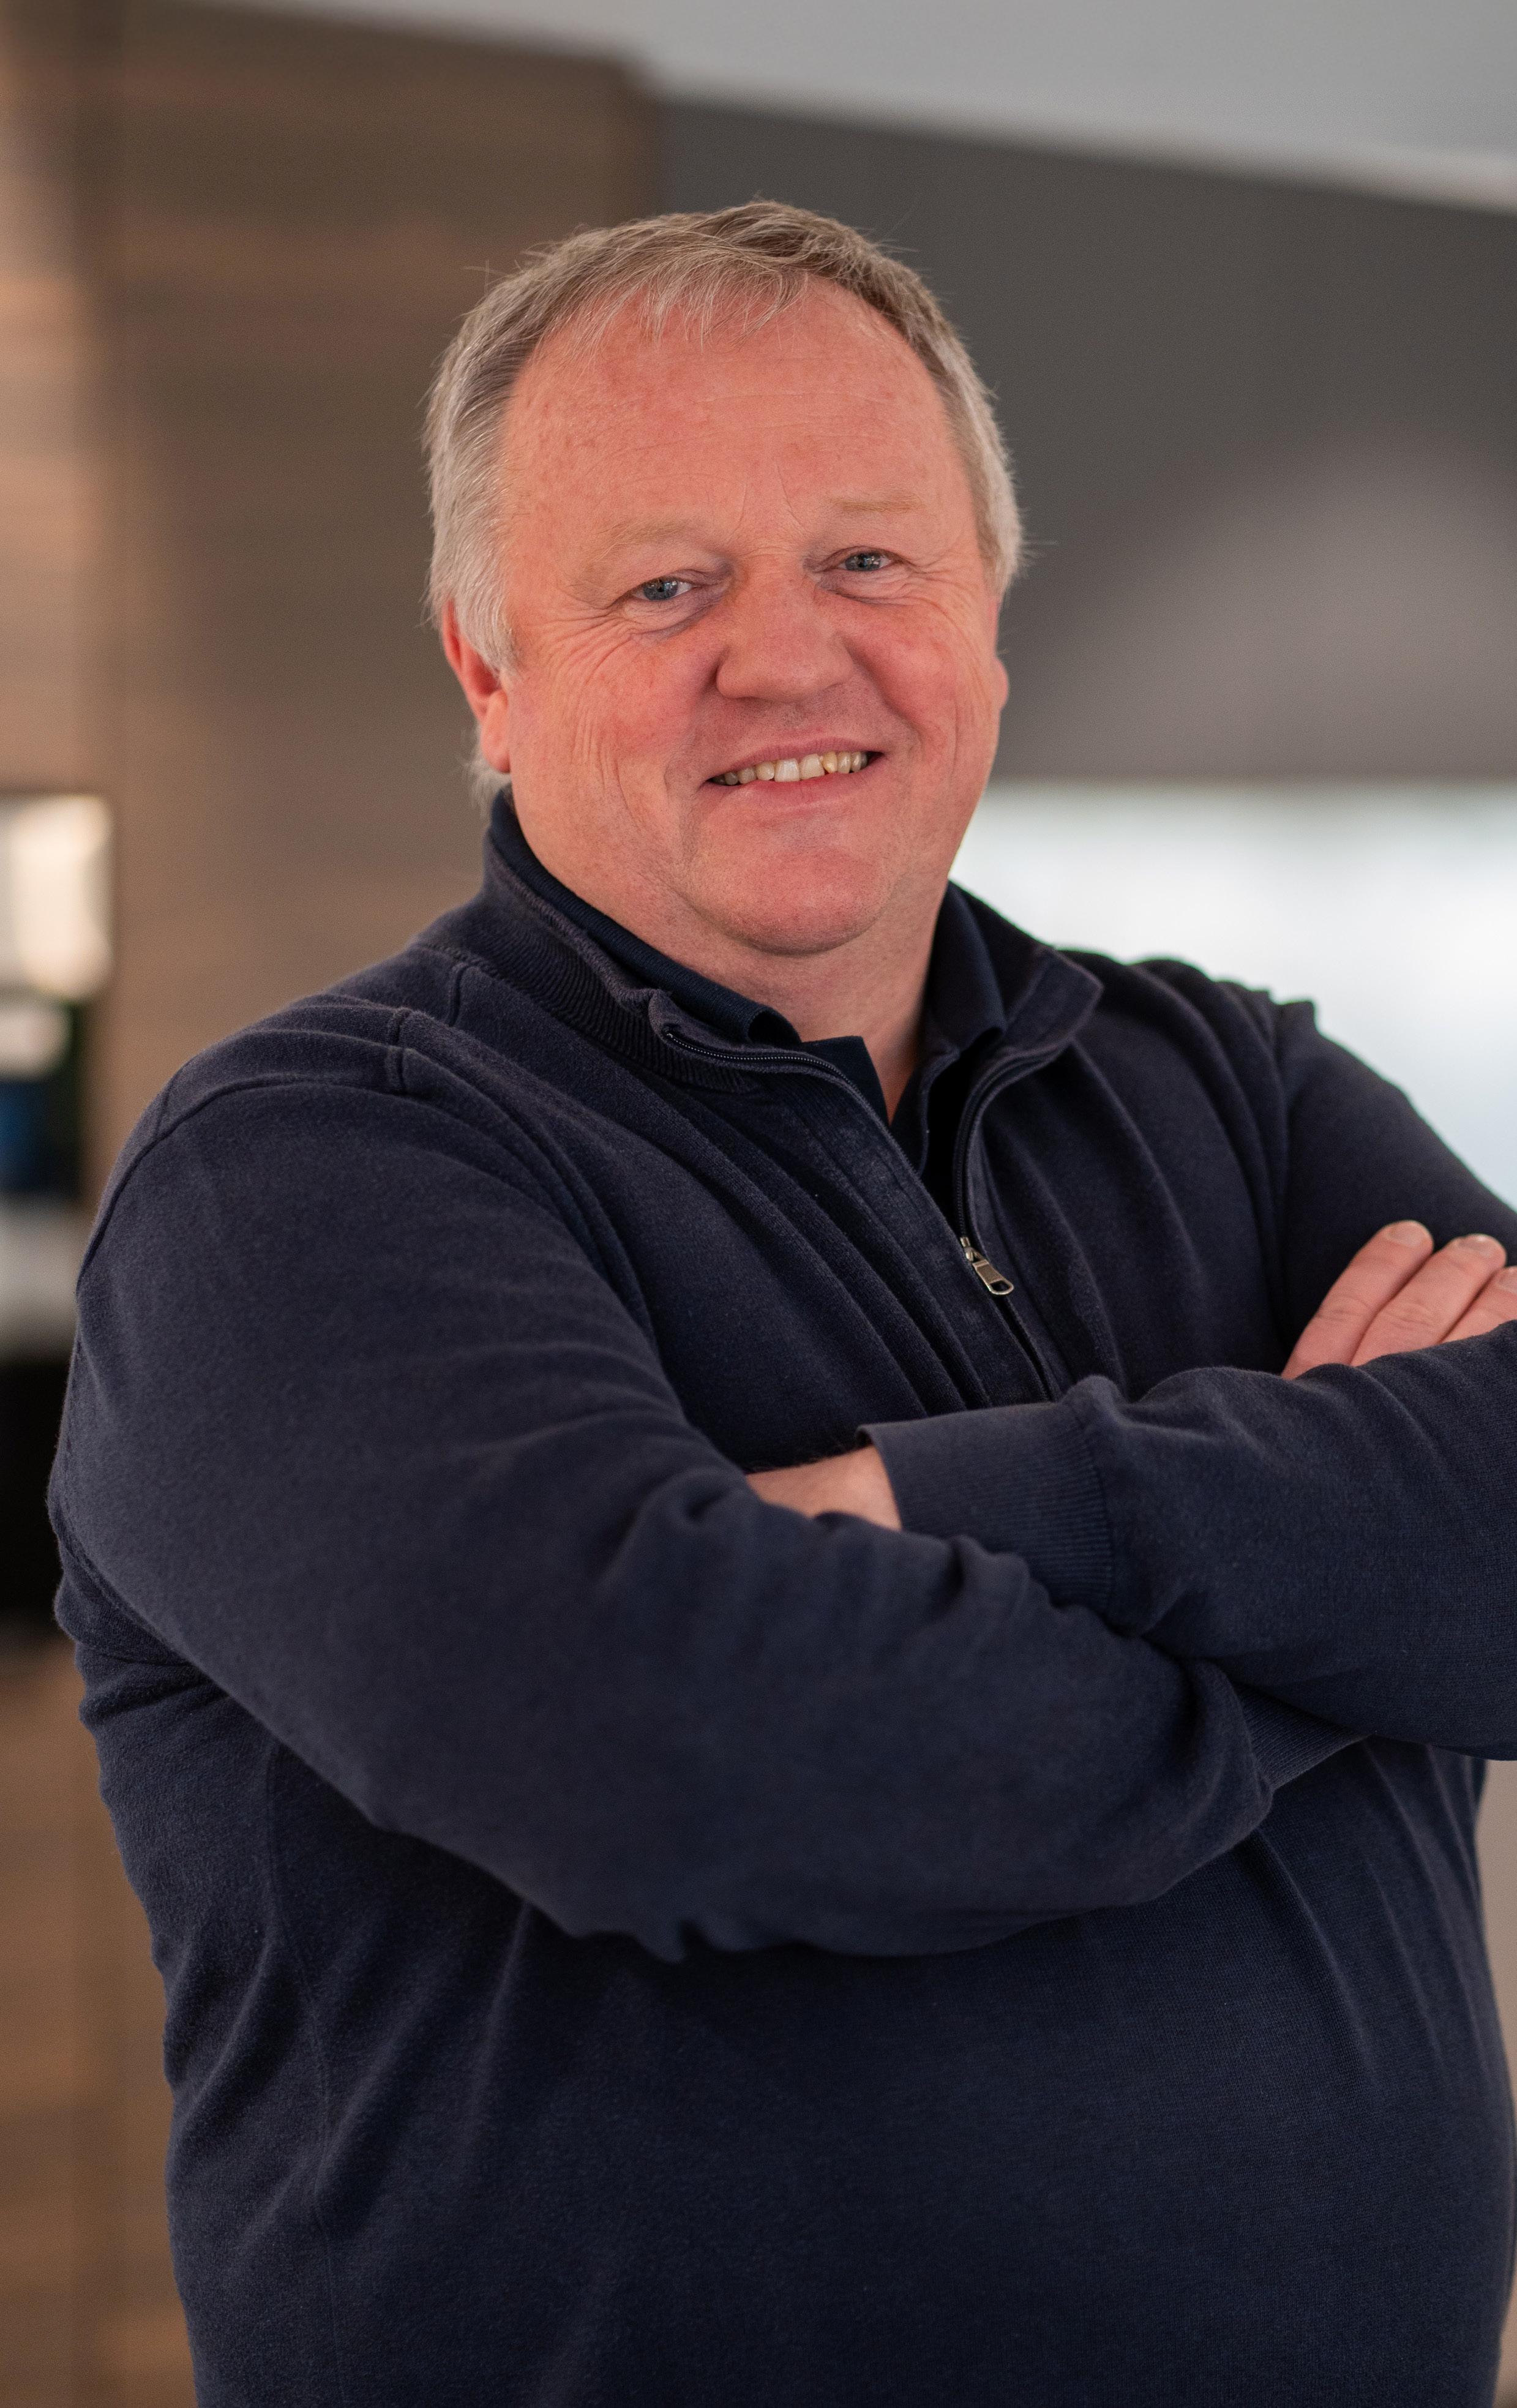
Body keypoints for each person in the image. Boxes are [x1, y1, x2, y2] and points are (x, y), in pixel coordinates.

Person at [52, 204, 1517, 2407]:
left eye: (868, 560)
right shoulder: (299, 1177)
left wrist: (948, 1507)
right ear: (487, 669)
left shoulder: (1231, 1081)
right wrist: (1336, 1595)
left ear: (987, 615)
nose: (786, 658)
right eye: (668, 586)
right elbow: (663, 1755)